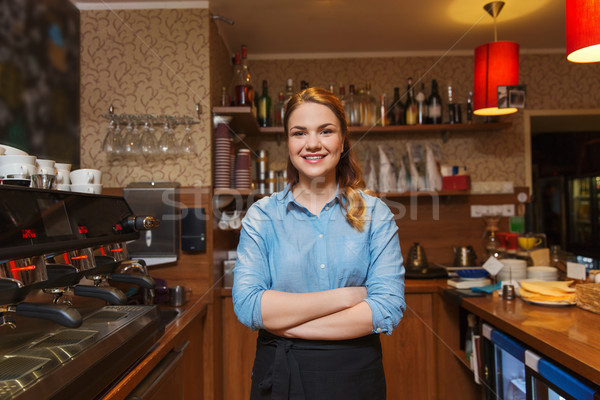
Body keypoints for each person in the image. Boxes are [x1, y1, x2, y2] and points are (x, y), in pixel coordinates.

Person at [233, 87, 405, 400]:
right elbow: (249, 306)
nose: (313, 143)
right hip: (280, 374)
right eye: (300, 133)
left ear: (343, 140)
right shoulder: (262, 215)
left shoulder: (376, 213)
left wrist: (285, 323)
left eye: (325, 131)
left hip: (356, 376)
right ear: (288, 142)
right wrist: (346, 296)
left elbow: (387, 307)